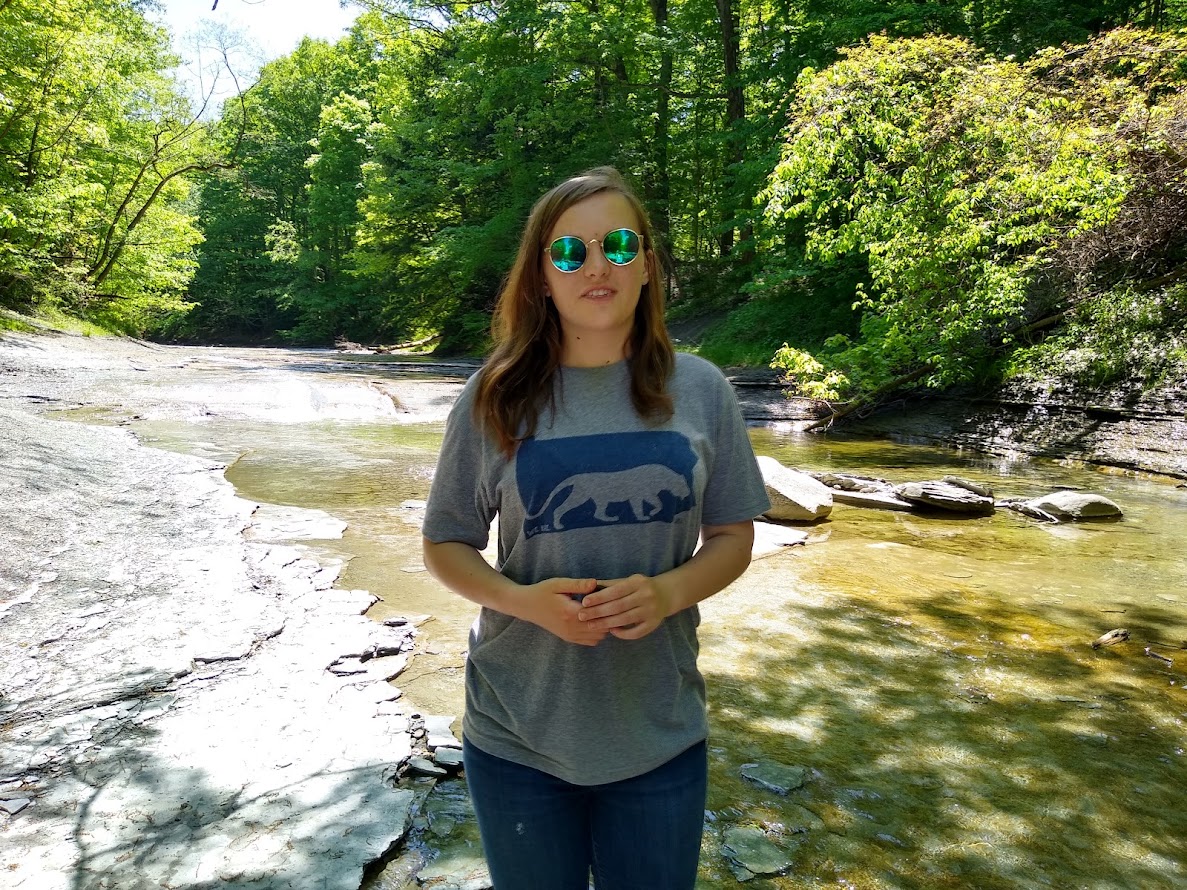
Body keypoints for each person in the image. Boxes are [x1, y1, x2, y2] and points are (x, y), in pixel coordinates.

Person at [421, 166, 770, 889]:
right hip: (516, 732)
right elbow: (446, 542)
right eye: (568, 252)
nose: (595, 265)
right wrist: (522, 601)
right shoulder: (494, 395)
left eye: (615, 243)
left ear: (646, 263)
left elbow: (734, 536)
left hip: (658, 731)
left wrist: (669, 593)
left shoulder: (701, 389)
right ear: (540, 277)